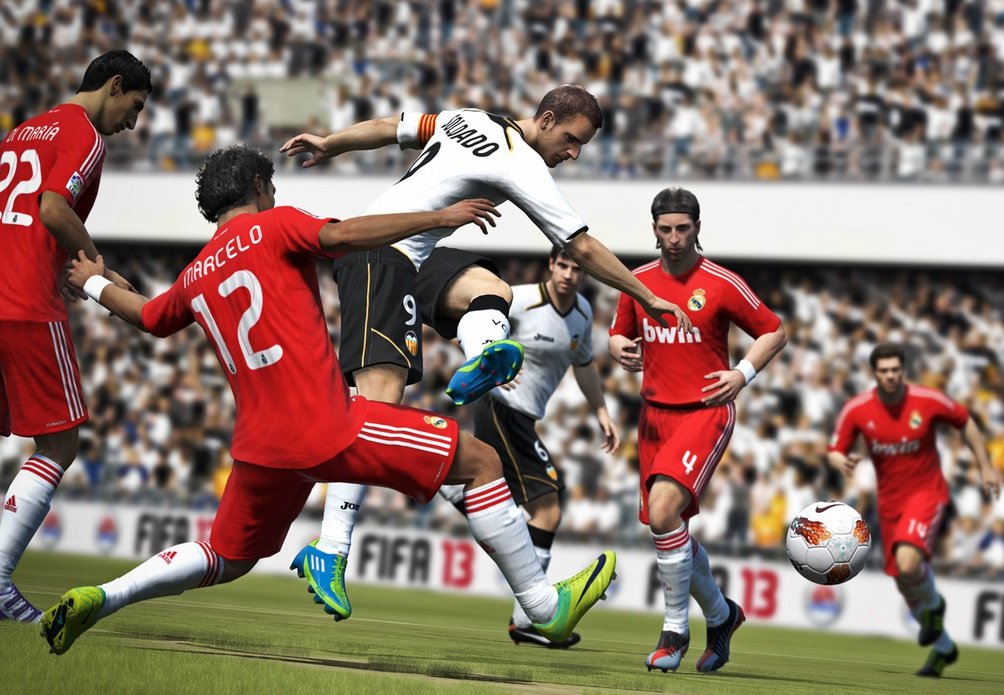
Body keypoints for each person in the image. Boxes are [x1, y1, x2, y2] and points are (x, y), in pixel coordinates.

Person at [40, 146, 616, 655]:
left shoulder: (195, 275)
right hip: (327, 428)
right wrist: (438, 217)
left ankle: (104, 596)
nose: (274, 195)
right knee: (482, 462)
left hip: (259, 449)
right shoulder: (275, 225)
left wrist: (93, 282)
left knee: (227, 557)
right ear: (259, 187)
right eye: (271, 187)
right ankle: (543, 607)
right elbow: (340, 237)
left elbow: (148, 316)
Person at [279, 84, 688, 617]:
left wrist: (331, 143)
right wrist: (647, 295)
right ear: (545, 120)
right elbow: (581, 246)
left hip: (412, 256)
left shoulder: (467, 118)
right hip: (380, 256)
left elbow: (390, 127)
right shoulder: (520, 160)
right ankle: (331, 548)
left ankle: (483, 353)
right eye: (571, 140)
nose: (573, 153)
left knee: (491, 290)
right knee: (375, 414)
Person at [370, 247, 619, 647]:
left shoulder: (583, 313)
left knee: (517, 501)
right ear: (551, 264)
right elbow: (466, 318)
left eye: (577, 268)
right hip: (502, 408)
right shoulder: (521, 299)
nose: (569, 274)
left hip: (524, 417)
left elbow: (585, 364)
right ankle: (530, 616)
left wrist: (601, 411)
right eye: (563, 265)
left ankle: (453, 487)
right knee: (547, 508)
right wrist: (487, 358)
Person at [607, 187, 788, 673]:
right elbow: (619, 333)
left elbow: (775, 330)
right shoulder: (637, 282)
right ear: (654, 230)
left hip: (705, 411)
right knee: (669, 527)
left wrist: (742, 374)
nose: (673, 238)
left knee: (664, 510)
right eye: (665, 229)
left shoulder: (721, 282)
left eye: (682, 229)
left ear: (697, 228)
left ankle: (674, 633)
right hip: (654, 416)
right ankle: (722, 615)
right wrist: (617, 347)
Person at [0, 50, 151, 623]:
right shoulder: (84, 135)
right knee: (61, 444)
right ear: (114, 85)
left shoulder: (23, 131)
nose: (132, 122)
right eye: (134, 106)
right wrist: (96, 267)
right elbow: (52, 208)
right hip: (25, 306)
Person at [825, 342, 1001, 678]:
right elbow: (835, 448)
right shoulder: (857, 409)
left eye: (895, 370)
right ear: (874, 374)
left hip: (926, 493)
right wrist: (838, 459)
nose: (890, 376)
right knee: (904, 581)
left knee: (908, 563)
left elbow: (965, 422)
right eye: (884, 371)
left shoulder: (927, 400)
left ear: (903, 370)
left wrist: (986, 466)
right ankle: (944, 648)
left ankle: (935, 606)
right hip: (889, 503)